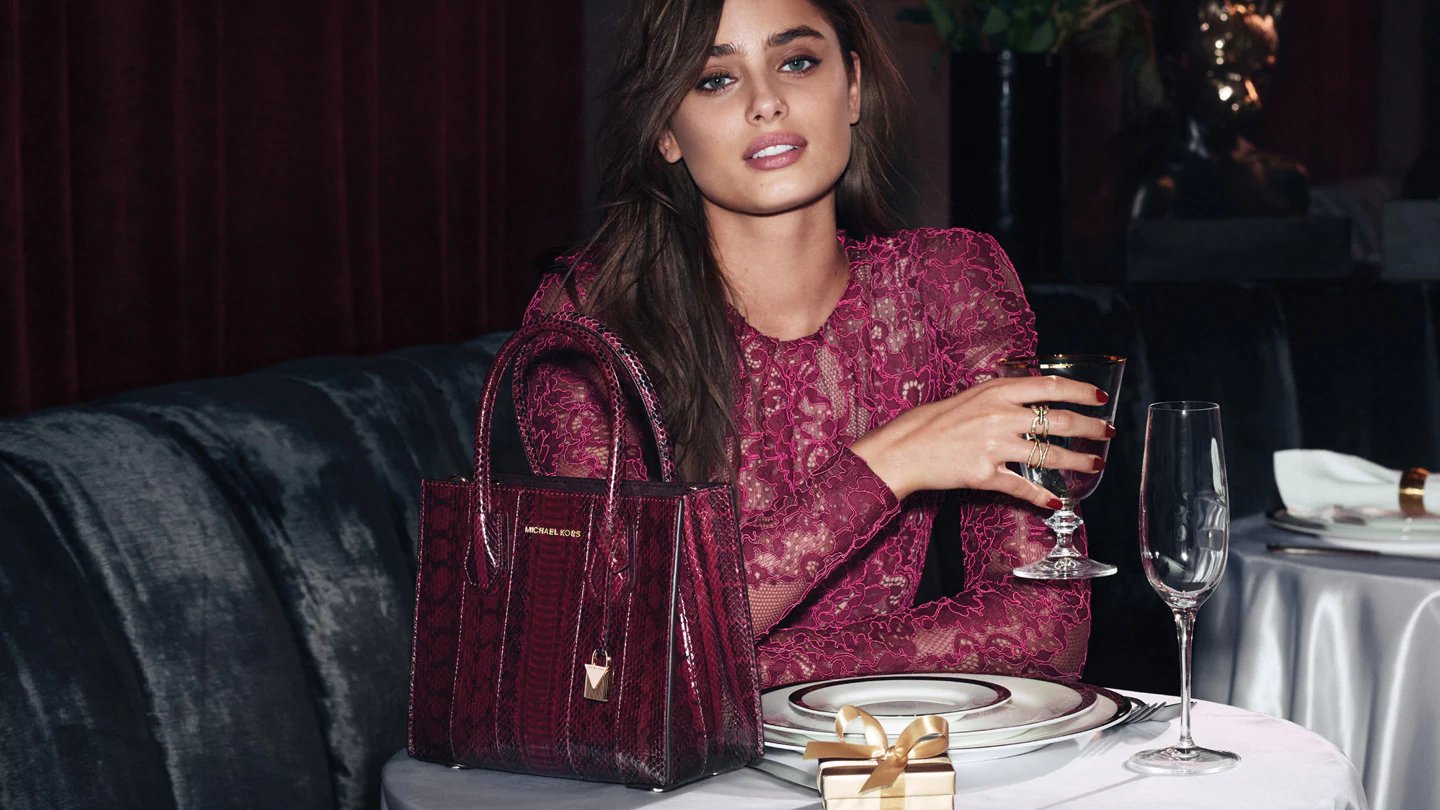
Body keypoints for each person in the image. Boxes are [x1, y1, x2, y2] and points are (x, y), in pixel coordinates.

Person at [518, 0, 1113, 689]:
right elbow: (614, 647)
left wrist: (741, 670)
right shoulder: (592, 317)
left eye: (797, 62)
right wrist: (890, 462)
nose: (767, 101)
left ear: (852, 89)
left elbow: (1047, 629)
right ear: (665, 132)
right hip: (687, 787)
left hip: (890, 756)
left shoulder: (946, 284)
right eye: (715, 79)